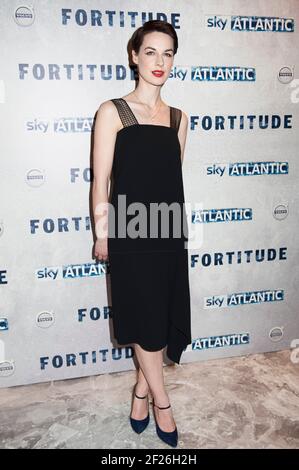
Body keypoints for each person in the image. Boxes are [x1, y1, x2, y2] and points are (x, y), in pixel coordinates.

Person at [92, 20, 192, 448]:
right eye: (151, 52)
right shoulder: (112, 111)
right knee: (144, 322)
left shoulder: (178, 118)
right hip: (129, 232)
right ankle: (162, 403)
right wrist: (103, 233)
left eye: (168, 53)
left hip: (167, 230)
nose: (160, 62)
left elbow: (171, 177)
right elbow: (101, 183)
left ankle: (139, 391)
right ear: (134, 56)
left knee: (157, 320)